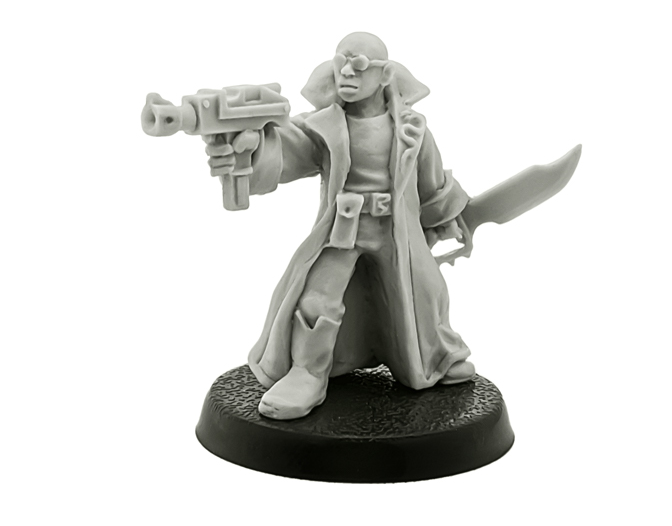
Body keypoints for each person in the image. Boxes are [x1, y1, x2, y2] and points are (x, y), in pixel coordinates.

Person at [203, 32, 475, 419]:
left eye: (360, 65)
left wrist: (446, 217)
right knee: (317, 298)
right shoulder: (324, 126)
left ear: (385, 76)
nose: (348, 72)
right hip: (343, 229)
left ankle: (436, 355)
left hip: (397, 230)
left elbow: (430, 181)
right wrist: (251, 149)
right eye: (341, 63)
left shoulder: (412, 129)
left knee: (425, 290)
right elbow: (287, 153)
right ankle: (307, 373)